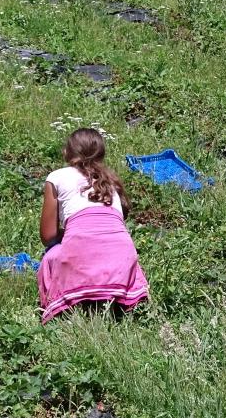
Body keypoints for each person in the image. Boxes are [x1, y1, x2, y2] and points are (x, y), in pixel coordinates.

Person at [37, 128, 148, 323]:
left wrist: (70, 233)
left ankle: (62, 307)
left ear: (66, 152)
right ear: (102, 154)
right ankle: (118, 300)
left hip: (79, 257)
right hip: (121, 263)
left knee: (50, 256)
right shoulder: (112, 182)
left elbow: (48, 235)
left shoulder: (57, 177)